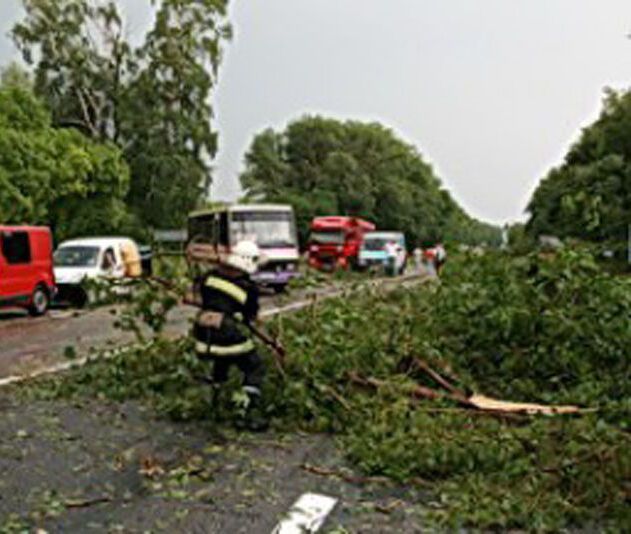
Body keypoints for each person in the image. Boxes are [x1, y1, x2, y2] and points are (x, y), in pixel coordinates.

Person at [185, 240, 268, 432]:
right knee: (254, 366)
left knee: (222, 362)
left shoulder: (209, 277)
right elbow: (251, 319)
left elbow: (198, 296)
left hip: (202, 335)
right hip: (226, 333)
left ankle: (216, 406)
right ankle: (245, 413)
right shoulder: (249, 288)